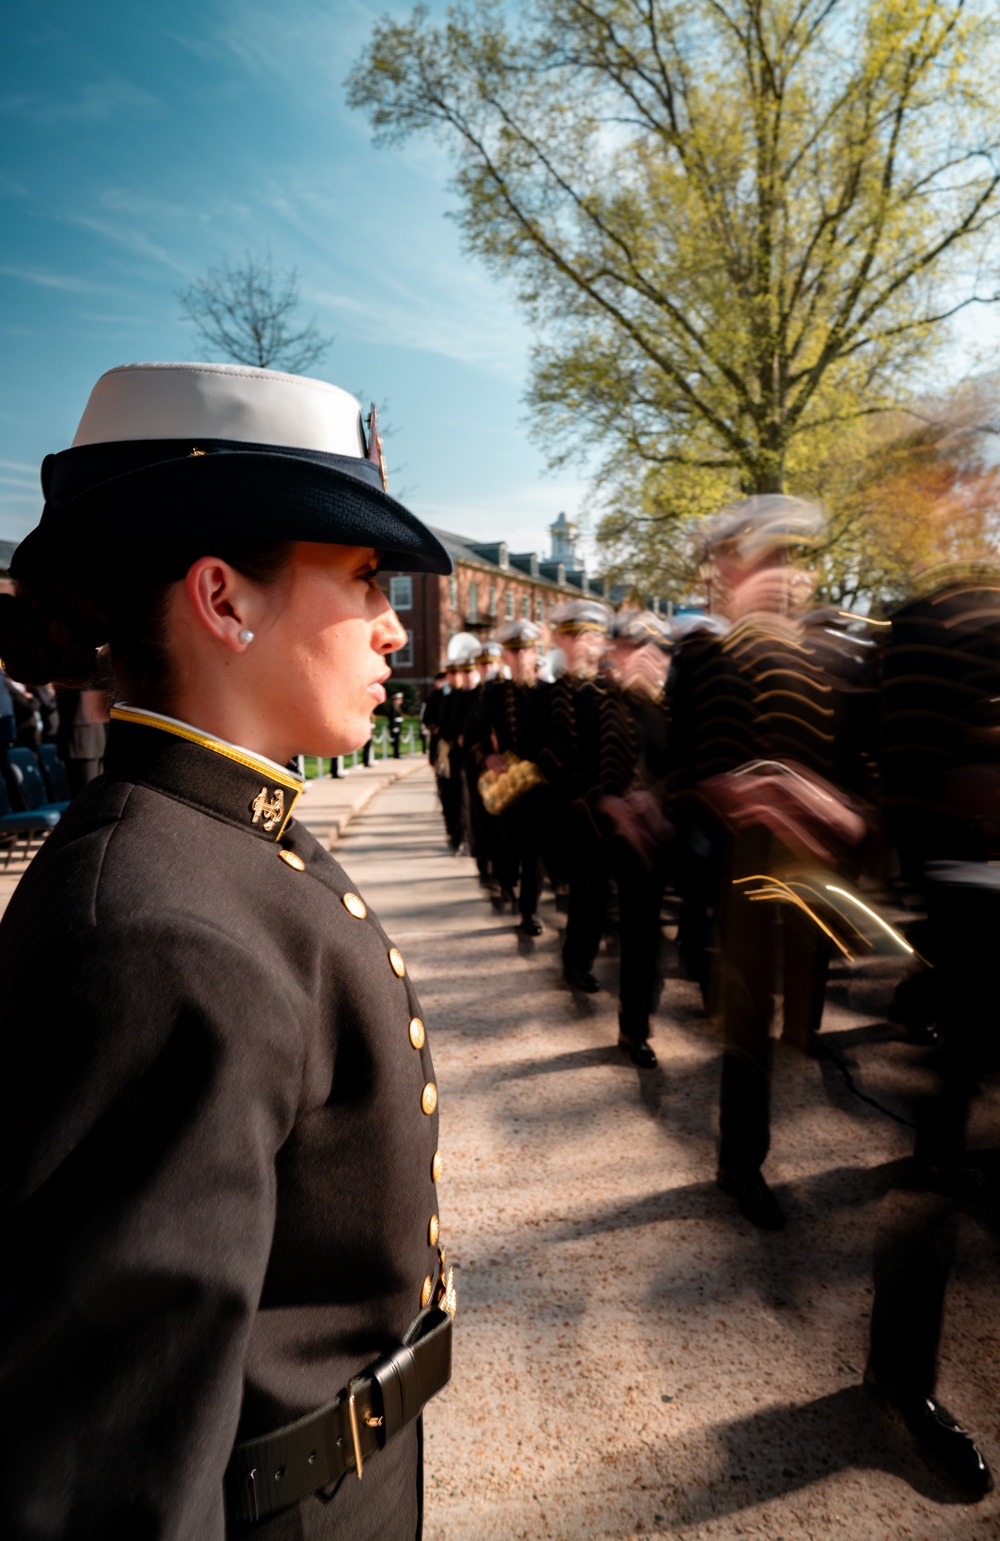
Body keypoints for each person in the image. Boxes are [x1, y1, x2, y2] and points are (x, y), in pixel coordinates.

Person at [0, 361, 456, 1540]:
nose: (393, 625)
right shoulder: (156, 933)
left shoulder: (222, 837)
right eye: (362, 579)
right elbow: (111, 1473)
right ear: (224, 600)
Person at [538, 599, 611, 992]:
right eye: (578, 636)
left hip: (616, 803)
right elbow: (544, 755)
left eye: (593, 636)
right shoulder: (549, 695)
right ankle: (577, 962)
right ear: (563, 642)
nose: (586, 645)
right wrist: (583, 795)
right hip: (575, 809)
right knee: (588, 890)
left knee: (602, 893)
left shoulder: (612, 689)